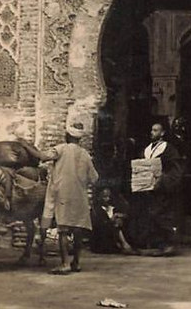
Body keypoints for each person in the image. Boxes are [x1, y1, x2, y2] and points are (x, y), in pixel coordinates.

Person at [39, 117, 99, 275]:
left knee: (63, 230)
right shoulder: (85, 155)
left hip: (64, 195)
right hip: (80, 196)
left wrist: (25, 145)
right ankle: (76, 262)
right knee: (78, 230)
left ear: (68, 136)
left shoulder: (61, 149)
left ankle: (65, 263)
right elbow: (95, 178)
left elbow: (43, 157)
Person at [137, 120, 184, 256]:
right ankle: (153, 244)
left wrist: (163, 179)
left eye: (156, 130)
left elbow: (176, 170)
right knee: (149, 215)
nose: (152, 133)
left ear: (162, 133)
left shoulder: (169, 149)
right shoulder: (146, 150)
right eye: (152, 130)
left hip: (163, 190)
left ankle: (167, 245)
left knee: (163, 215)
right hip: (148, 189)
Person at [91, 186, 133, 254]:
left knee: (119, 221)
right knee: (115, 223)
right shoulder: (97, 210)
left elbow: (126, 215)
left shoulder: (113, 207)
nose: (107, 199)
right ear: (99, 197)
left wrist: (119, 216)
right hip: (103, 237)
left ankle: (124, 243)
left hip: (113, 233)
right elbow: (99, 225)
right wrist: (111, 221)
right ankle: (124, 243)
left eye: (108, 196)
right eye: (105, 197)